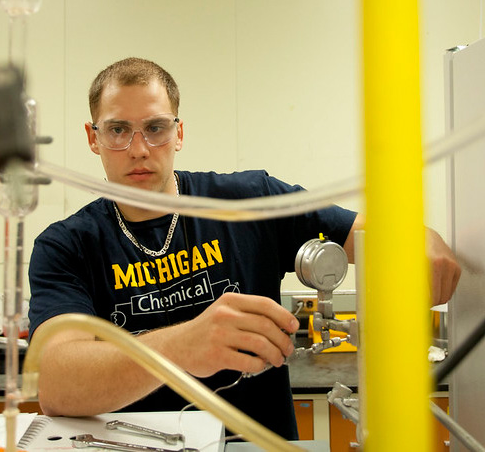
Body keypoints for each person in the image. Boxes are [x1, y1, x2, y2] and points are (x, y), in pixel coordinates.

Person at [28, 57, 461, 440]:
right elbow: (56, 385)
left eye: (156, 128)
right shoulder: (67, 245)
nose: (138, 149)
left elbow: (370, 235)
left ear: (178, 133)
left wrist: (418, 239)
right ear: (93, 137)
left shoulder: (247, 201)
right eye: (118, 130)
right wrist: (183, 345)